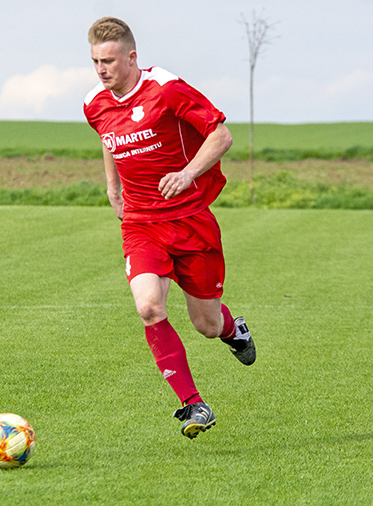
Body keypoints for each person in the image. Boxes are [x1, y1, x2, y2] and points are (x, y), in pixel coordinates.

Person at [83, 17, 256, 439]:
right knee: (149, 307)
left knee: (207, 325)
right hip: (141, 223)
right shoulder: (94, 103)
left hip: (189, 218)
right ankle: (193, 404)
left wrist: (188, 173)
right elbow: (109, 140)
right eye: (95, 61)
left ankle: (234, 330)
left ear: (132, 57)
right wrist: (113, 187)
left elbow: (221, 135)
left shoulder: (166, 88)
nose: (102, 69)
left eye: (108, 60)